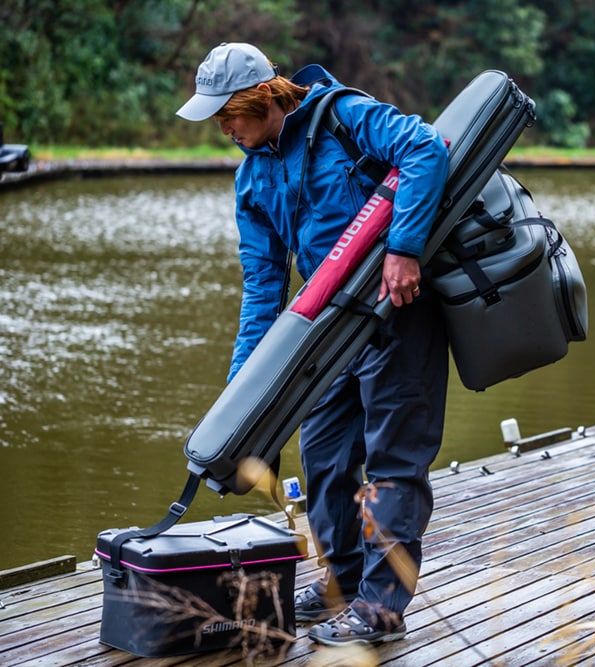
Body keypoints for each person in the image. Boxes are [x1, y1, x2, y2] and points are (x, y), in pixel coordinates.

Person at [176, 42, 450, 646]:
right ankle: (344, 582)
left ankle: (381, 612)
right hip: (327, 334)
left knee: (393, 462)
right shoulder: (252, 178)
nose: (224, 129)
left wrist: (404, 248)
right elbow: (262, 291)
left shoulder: (343, 115)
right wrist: (241, 402)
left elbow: (425, 149)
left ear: (263, 98)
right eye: (218, 119)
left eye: (230, 116)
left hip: (397, 313)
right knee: (324, 457)